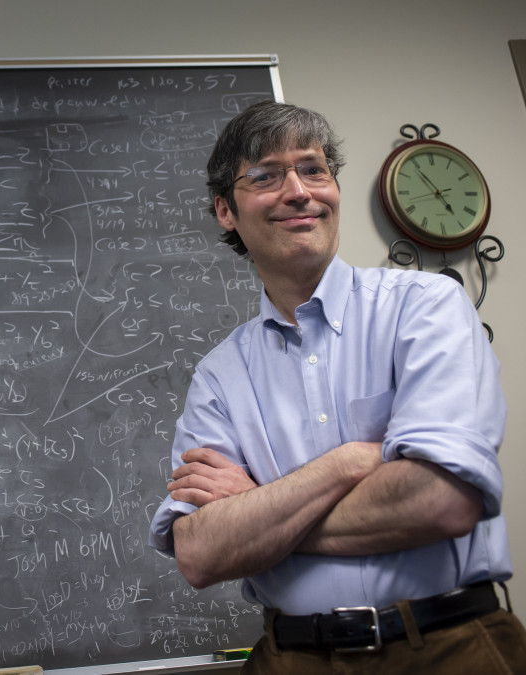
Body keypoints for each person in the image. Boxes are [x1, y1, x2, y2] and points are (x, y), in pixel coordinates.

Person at [146, 100, 526, 673]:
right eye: (266, 175)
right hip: (289, 657)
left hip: (449, 646)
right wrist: (350, 462)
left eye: (314, 169)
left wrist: (255, 509)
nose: (299, 191)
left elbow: (440, 499)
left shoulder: (427, 308)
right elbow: (199, 553)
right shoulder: (220, 375)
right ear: (226, 210)